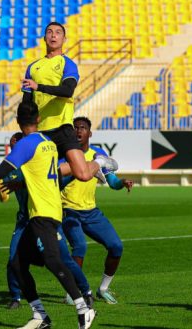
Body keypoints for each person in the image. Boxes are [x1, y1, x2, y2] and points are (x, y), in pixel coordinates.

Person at [0, 101, 97, 329]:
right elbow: (41, 173)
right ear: (38, 119)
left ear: (17, 121)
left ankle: (84, 308)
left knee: (53, 260)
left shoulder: (26, 144)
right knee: (17, 263)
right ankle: (40, 316)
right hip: (48, 209)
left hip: (44, 212)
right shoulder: (49, 142)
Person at [0, 132, 94, 310]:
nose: (14, 145)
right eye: (12, 143)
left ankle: (86, 292)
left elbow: (63, 177)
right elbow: (3, 196)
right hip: (25, 221)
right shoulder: (15, 170)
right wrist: (1, 184)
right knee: (13, 259)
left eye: (17, 142)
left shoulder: (36, 166)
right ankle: (15, 297)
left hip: (45, 219)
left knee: (63, 259)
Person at [21, 21, 117, 183]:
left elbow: (67, 91)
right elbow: (26, 105)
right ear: (44, 38)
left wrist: (39, 86)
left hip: (62, 127)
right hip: (41, 131)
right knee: (41, 178)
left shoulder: (68, 64)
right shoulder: (32, 67)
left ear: (64, 39)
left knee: (84, 175)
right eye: (49, 32)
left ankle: (100, 161)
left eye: (58, 32)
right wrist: (25, 131)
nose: (53, 35)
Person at [60, 116, 133, 305]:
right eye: (75, 128)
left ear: (89, 133)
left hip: (91, 211)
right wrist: (79, 173)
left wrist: (122, 183)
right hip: (68, 210)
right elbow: (57, 183)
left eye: (82, 128)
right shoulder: (65, 155)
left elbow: (112, 181)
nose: (78, 131)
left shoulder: (98, 154)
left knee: (116, 246)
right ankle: (73, 291)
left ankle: (103, 289)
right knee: (80, 247)